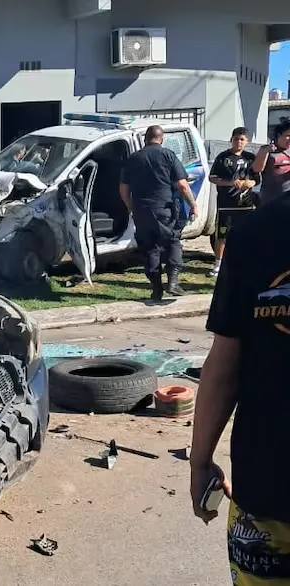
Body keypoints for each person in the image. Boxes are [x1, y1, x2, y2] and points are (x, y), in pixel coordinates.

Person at [190, 192, 290, 585]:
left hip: (267, 482)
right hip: (266, 488)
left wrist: (201, 461)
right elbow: (224, 365)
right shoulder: (255, 232)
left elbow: (224, 365)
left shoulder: (256, 232)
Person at [119, 125, 199, 302]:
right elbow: (183, 185)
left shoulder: (134, 158)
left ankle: (156, 289)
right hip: (164, 209)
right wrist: (193, 204)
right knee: (172, 242)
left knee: (150, 249)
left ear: (145, 139)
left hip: (142, 210)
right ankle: (173, 282)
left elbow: (124, 189)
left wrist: (131, 208)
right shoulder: (168, 155)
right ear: (161, 139)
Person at [207, 127, 260, 277]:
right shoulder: (223, 157)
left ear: (247, 141)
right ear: (231, 140)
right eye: (236, 139)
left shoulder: (251, 158)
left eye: (242, 139)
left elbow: (257, 178)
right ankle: (218, 264)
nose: (239, 142)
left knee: (247, 234)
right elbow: (212, 178)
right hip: (226, 204)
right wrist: (229, 182)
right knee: (222, 235)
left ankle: (246, 262)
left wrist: (250, 183)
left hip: (246, 204)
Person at [252, 120, 290, 208]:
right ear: (278, 135)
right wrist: (265, 152)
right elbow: (257, 169)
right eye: (288, 136)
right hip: (271, 200)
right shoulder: (266, 150)